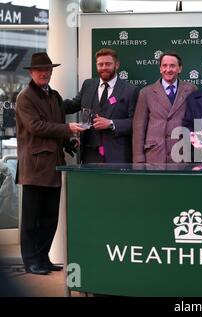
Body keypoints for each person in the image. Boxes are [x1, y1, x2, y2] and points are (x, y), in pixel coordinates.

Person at [15, 52, 85, 275]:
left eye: (48, 69)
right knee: (31, 220)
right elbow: (37, 126)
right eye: (40, 70)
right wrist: (68, 129)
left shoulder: (54, 96)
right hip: (34, 168)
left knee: (49, 218)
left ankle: (43, 259)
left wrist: (68, 142)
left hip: (54, 166)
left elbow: (56, 125)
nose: (44, 73)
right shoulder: (24, 97)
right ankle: (31, 261)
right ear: (32, 73)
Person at [64, 48, 139, 163]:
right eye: (100, 64)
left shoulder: (130, 90)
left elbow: (136, 123)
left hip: (117, 157)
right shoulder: (88, 85)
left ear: (117, 65)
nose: (104, 67)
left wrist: (111, 123)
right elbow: (73, 105)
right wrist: (50, 101)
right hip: (89, 155)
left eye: (108, 64)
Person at [133, 51, 197, 163]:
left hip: (182, 155)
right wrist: (138, 159)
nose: (168, 69)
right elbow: (139, 128)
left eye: (172, 66)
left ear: (180, 68)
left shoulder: (191, 90)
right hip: (155, 155)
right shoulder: (146, 92)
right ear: (160, 69)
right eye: (164, 66)